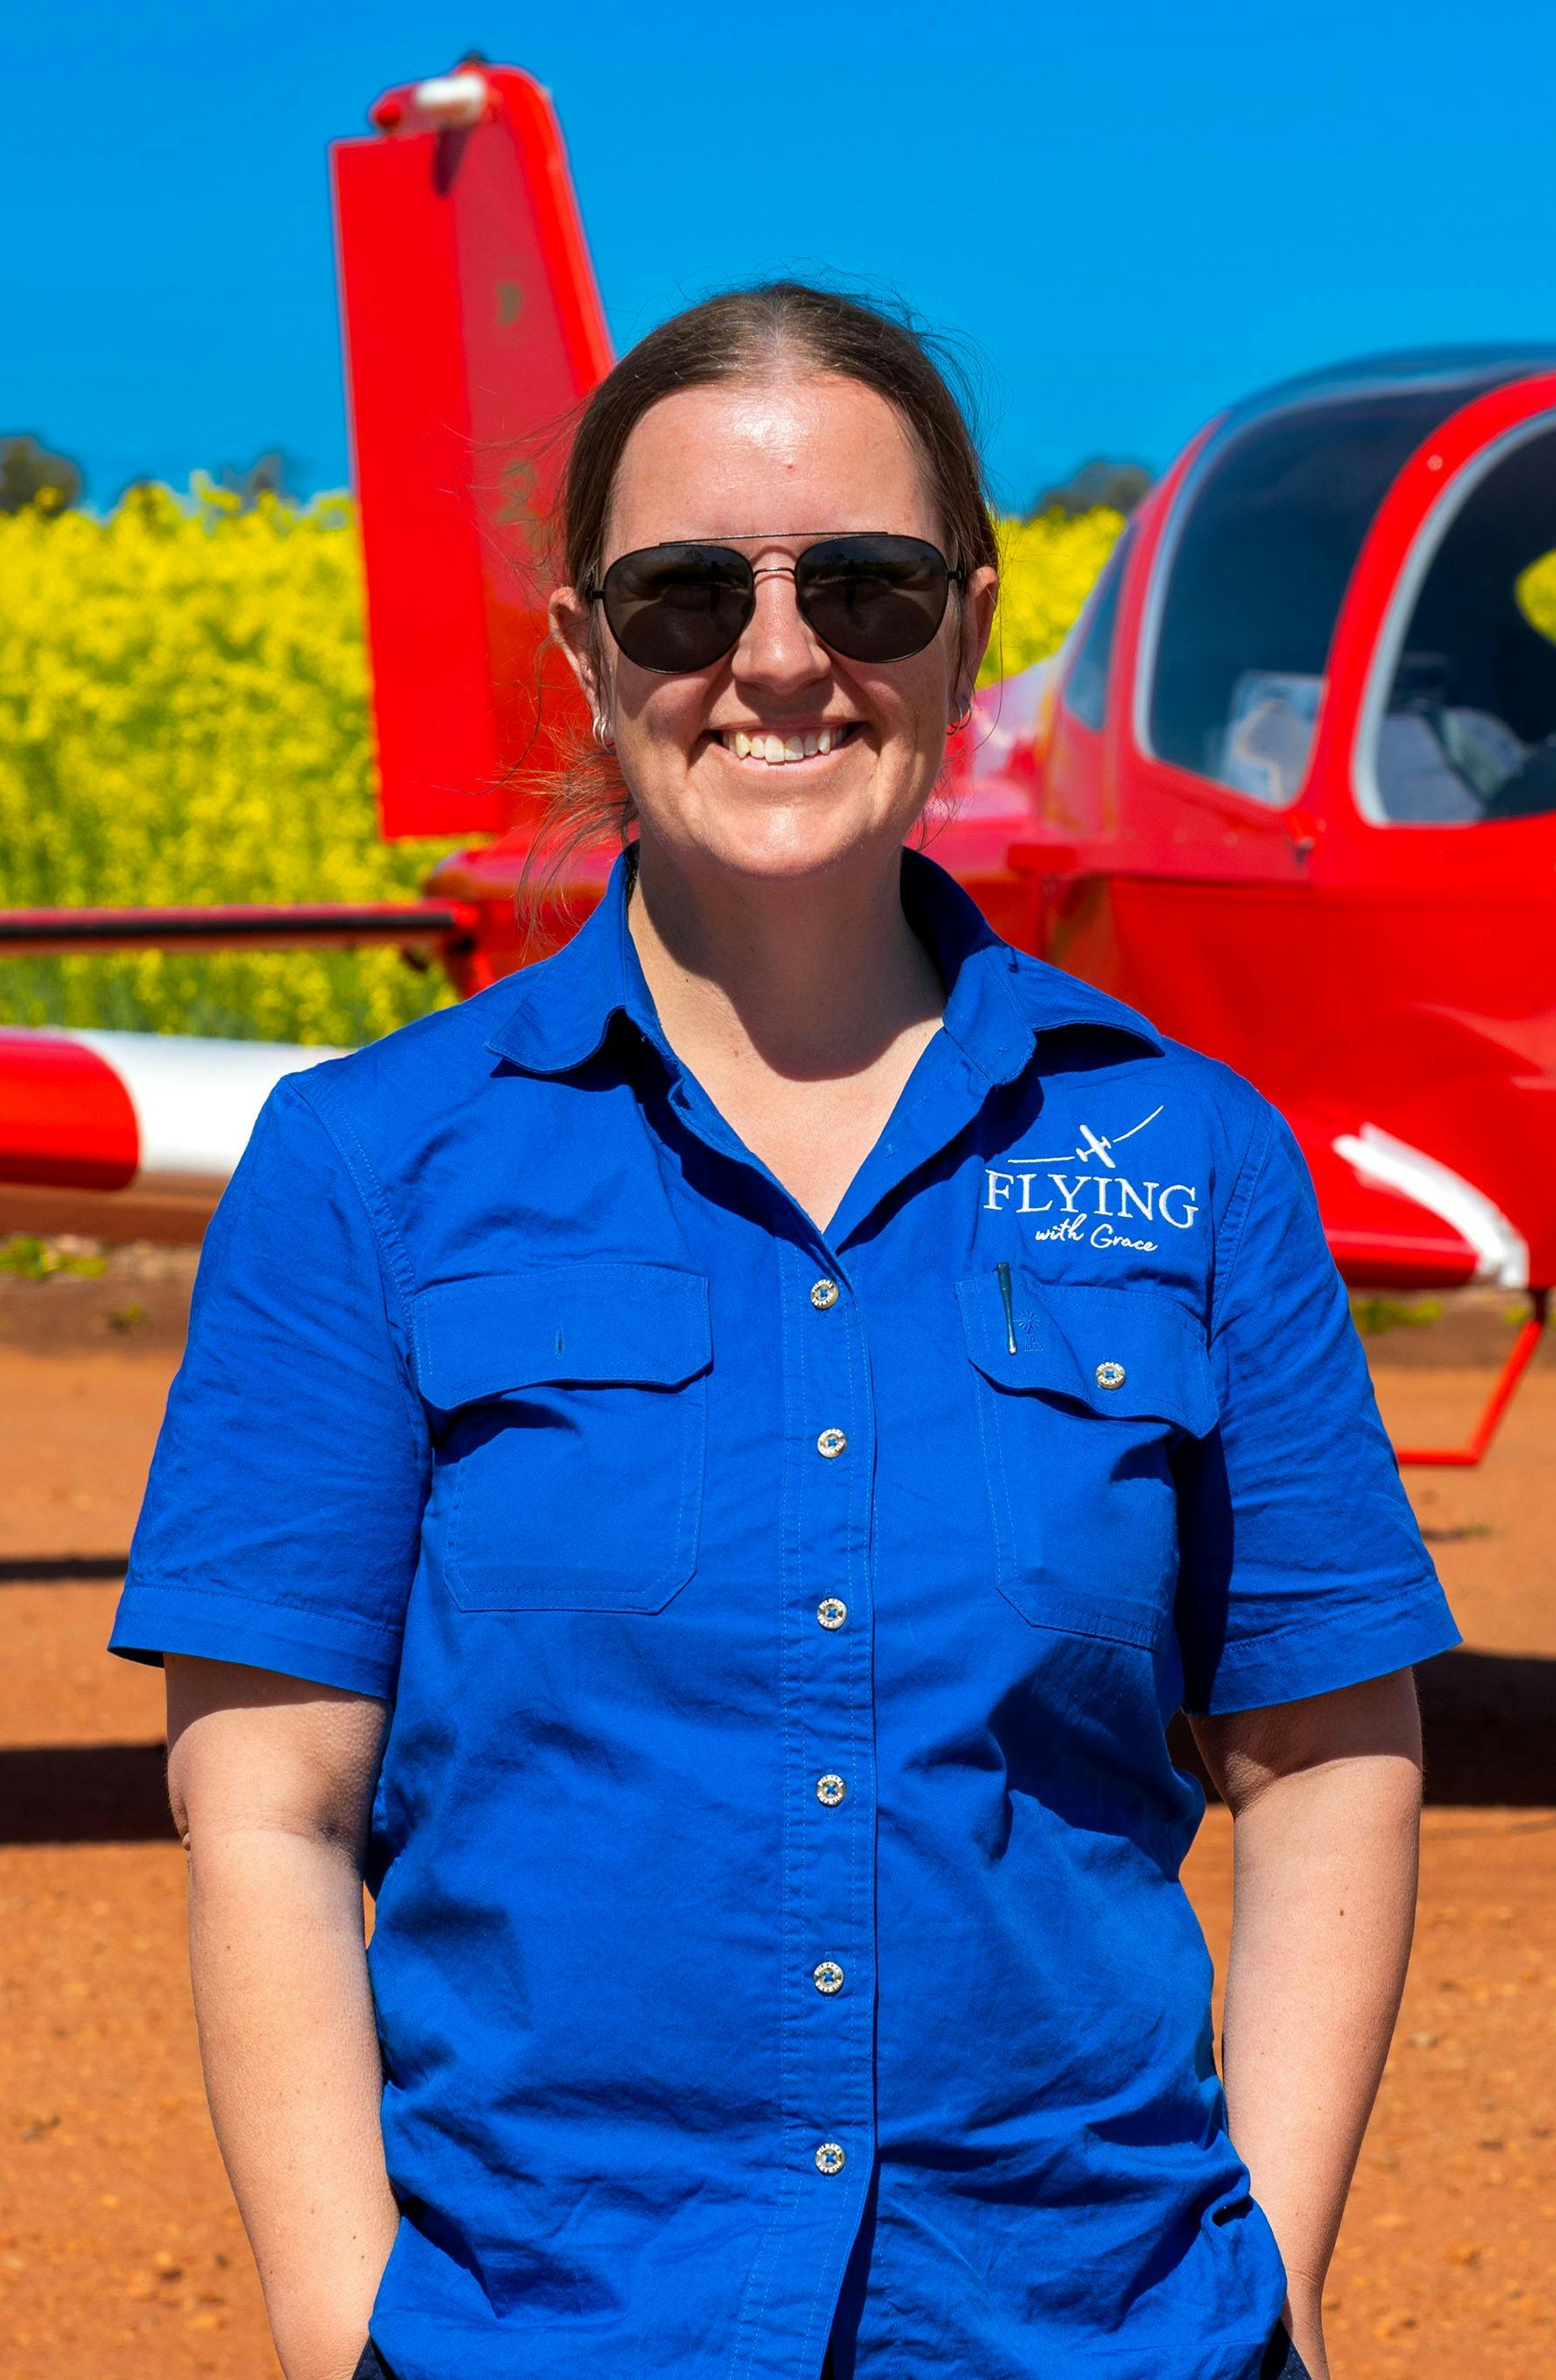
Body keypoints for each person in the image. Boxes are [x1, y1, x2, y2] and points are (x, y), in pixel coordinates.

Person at [111, 282, 1455, 2380]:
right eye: (678, 596)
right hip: (545, 2331)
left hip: (1092, 2330)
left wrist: (1261, 2276)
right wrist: (335, 2318)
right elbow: (266, 1798)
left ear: (970, 623)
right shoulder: (364, 1164)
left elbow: (1326, 1756)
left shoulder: (1194, 1155)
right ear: (581, 643)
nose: (779, 657)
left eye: (867, 581)